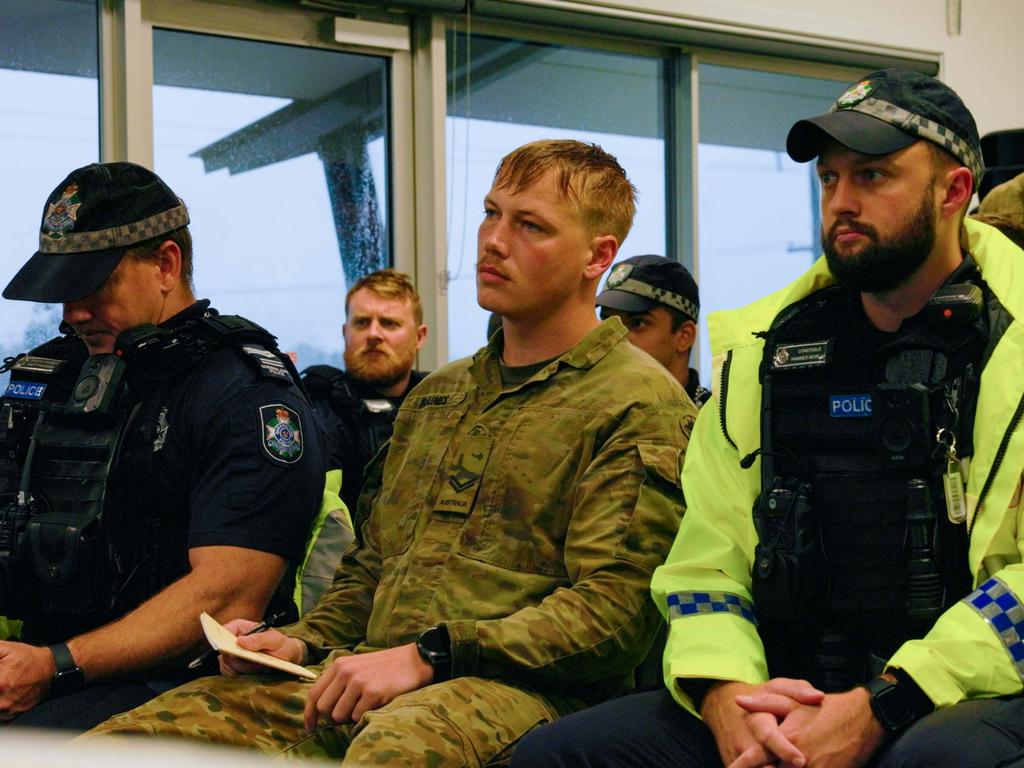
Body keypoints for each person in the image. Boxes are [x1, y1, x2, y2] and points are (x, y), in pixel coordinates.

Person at [81, 139, 696, 765]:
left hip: (527, 691)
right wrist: (298, 642)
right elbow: (373, 569)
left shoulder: (636, 402)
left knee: (394, 754)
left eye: (530, 225)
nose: (493, 241)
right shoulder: (441, 396)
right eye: (490, 213)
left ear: (598, 256)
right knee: (126, 748)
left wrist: (432, 655)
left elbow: (612, 615)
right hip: (370, 671)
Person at [513, 68, 1024, 768]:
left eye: (872, 177)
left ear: (954, 192)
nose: (841, 202)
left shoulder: (1014, 344)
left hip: (957, 695)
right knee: (562, 754)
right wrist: (726, 697)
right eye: (829, 179)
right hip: (781, 685)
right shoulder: (763, 355)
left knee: (940, 761)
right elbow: (703, 565)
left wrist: (889, 702)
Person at [0, 162, 324, 732]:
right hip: (45, 666)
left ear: (166, 265)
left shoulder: (244, 389)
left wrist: (55, 667)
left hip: (186, 682)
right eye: (63, 292)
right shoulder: (51, 376)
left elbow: (228, 597)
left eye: (95, 287)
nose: (73, 313)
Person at [301, 269, 427, 520]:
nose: (373, 334)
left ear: (419, 337)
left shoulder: (444, 406)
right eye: (362, 322)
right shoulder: (314, 410)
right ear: (345, 332)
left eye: (389, 323)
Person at [596, 254, 710, 406]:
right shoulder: (587, 413)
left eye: (637, 323)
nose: (616, 337)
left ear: (684, 336)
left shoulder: (716, 421)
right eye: (607, 321)